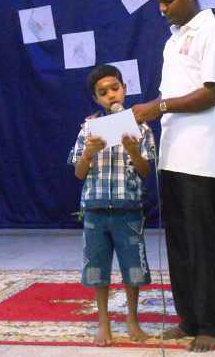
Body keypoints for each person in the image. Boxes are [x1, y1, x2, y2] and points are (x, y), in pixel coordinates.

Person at [132, 0, 215, 352]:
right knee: (177, 241)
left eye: (169, 1)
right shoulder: (173, 40)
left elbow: (212, 93)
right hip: (172, 155)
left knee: (202, 242)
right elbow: (169, 98)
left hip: (202, 157)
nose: (162, 9)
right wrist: (141, 117)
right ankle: (189, 318)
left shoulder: (213, 32)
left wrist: (158, 107)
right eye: (159, 3)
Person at [68, 64, 156, 346]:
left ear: (125, 89)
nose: (110, 95)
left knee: (133, 268)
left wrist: (133, 150)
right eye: (103, 92)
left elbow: (145, 171)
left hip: (128, 209)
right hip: (95, 210)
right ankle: (103, 322)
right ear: (96, 99)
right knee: (97, 269)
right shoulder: (88, 129)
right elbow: (79, 173)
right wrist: (88, 154)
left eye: (115, 88)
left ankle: (133, 319)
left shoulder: (141, 128)